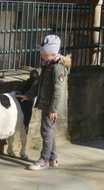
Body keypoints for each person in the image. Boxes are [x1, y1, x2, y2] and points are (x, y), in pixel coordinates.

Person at [17, 34, 71, 170]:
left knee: (45, 131)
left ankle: (44, 159)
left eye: (44, 53)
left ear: (52, 54)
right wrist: (28, 96)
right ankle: (53, 158)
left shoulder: (57, 68)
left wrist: (53, 109)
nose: (42, 56)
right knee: (48, 130)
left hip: (51, 106)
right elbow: (39, 84)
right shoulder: (48, 65)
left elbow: (59, 91)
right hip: (47, 104)